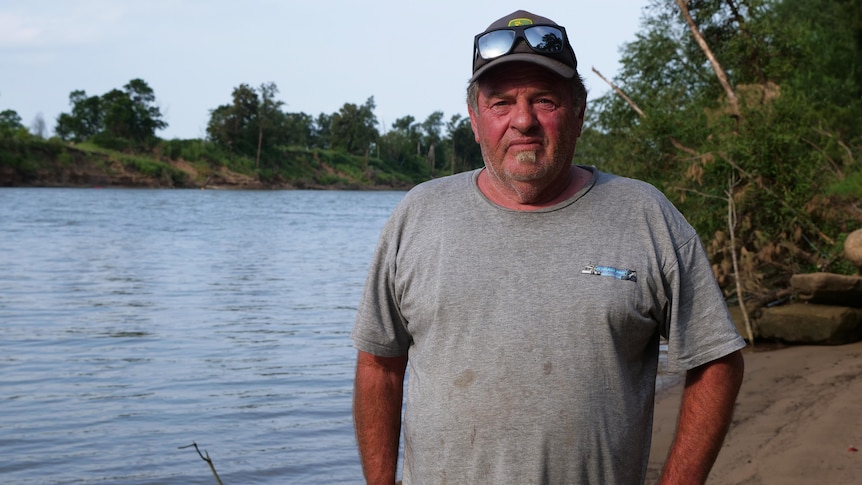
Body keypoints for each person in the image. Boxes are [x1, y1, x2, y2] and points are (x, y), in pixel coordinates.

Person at [352, 9, 745, 485]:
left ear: (578, 113)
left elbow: (716, 362)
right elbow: (380, 368)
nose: (523, 121)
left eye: (544, 100)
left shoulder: (646, 216)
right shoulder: (418, 215)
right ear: (475, 119)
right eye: (501, 103)